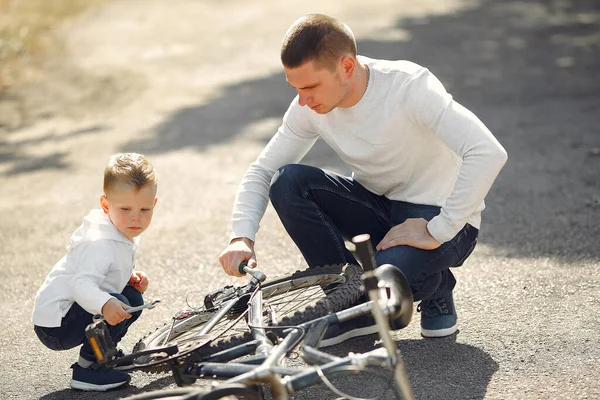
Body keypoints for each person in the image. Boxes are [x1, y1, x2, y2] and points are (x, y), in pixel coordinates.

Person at [218, 14, 507, 344]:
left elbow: (487, 151)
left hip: (443, 220)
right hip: (380, 209)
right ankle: (350, 304)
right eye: (295, 88)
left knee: (384, 279)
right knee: (287, 181)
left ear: (347, 67)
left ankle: (434, 285)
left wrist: (436, 230)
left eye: (311, 86)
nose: (303, 99)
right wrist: (241, 237)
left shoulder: (409, 87)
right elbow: (262, 170)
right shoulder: (308, 105)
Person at [32, 153, 158, 391]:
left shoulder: (118, 229)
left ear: (155, 204)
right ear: (105, 205)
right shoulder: (99, 242)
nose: (135, 217)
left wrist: (127, 276)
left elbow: (105, 270)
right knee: (118, 302)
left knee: (131, 298)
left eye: (145, 209)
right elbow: (81, 284)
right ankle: (88, 370)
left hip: (72, 311)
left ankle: (103, 354)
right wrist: (106, 304)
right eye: (126, 208)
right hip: (55, 325)